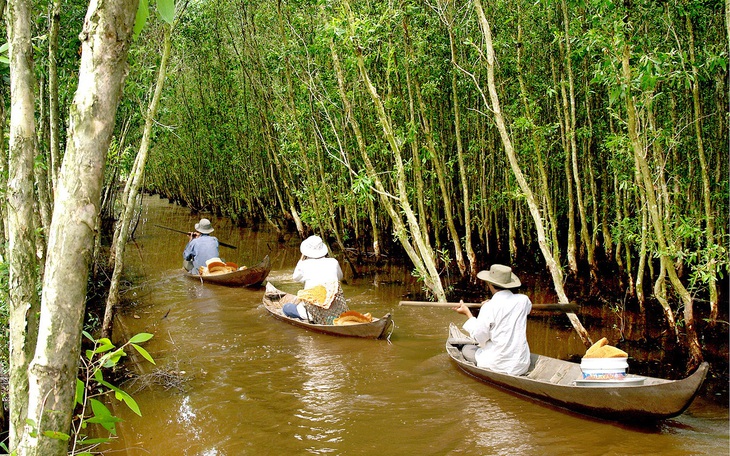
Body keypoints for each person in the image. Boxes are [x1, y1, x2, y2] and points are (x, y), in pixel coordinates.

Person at [453, 264, 532, 375]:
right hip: (521, 366)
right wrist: (491, 302)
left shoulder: (489, 307)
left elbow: (479, 337)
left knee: (466, 349)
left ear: (490, 284)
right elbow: (526, 309)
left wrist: (468, 313)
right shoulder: (523, 300)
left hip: (498, 365)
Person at [283, 235, 346, 323]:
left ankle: (311, 319)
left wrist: (302, 258)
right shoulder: (333, 262)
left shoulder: (304, 264)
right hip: (335, 310)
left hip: (313, 312)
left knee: (286, 308)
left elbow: (295, 278)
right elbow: (340, 277)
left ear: (306, 252)